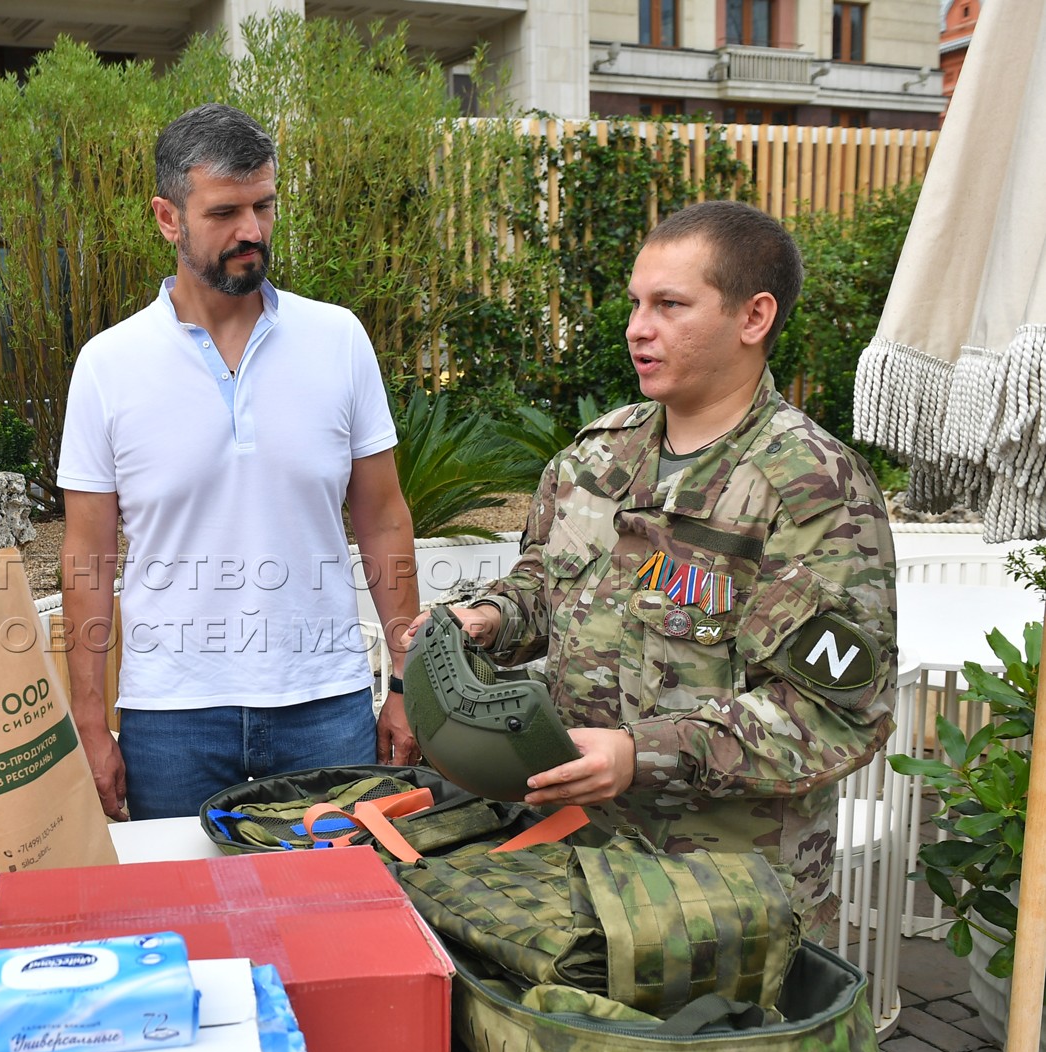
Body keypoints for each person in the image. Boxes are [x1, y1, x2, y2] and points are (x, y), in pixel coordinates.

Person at [432, 200, 897, 931]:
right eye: (636, 304)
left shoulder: (810, 487)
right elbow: (545, 585)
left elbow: (834, 714)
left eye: (670, 305)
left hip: (727, 894)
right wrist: (491, 617)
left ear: (754, 318)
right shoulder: (593, 459)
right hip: (576, 860)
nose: (637, 328)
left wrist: (640, 754)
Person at [59, 103, 419, 822]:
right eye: (225, 211)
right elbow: (87, 557)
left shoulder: (338, 340)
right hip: (170, 722)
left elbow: (382, 519)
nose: (251, 231)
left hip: (326, 706)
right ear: (168, 217)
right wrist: (91, 726)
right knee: (187, 925)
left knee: (332, 922)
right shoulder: (107, 365)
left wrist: (409, 685)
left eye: (264, 205)